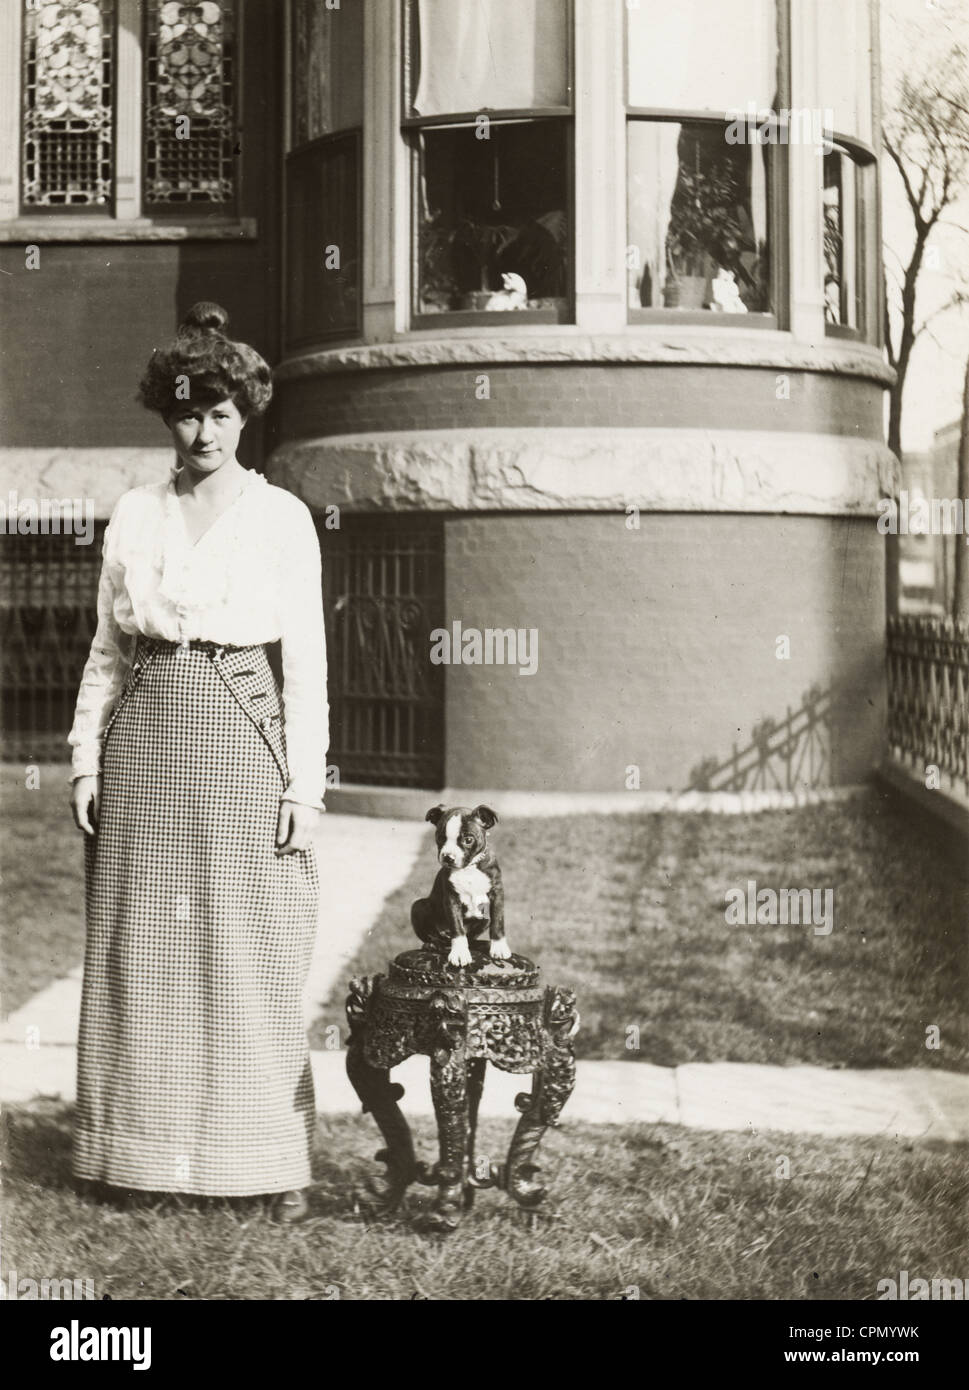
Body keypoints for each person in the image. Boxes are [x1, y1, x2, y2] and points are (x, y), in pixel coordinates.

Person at [68, 302, 327, 1223]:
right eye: (186, 412)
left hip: (239, 735)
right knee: (140, 945)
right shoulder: (136, 516)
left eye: (219, 412)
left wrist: (304, 783)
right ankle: (133, 1156)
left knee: (247, 945)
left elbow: (307, 664)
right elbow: (105, 649)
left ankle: (261, 1160)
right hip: (141, 738)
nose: (203, 429)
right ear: (164, 416)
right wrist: (84, 764)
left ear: (245, 414)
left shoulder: (282, 517)